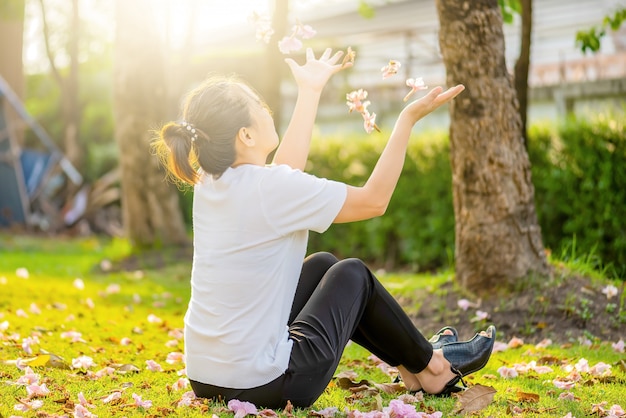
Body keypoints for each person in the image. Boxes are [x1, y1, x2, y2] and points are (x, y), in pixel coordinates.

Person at [152, 47, 496, 409]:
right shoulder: (269, 189)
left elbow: (287, 173)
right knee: (353, 274)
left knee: (321, 266)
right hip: (269, 385)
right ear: (246, 136)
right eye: (260, 106)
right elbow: (374, 201)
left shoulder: (211, 181)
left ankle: (414, 368)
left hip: (206, 377)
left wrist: (310, 89)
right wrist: (406, 121)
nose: (267, 109)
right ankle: (435, 368)